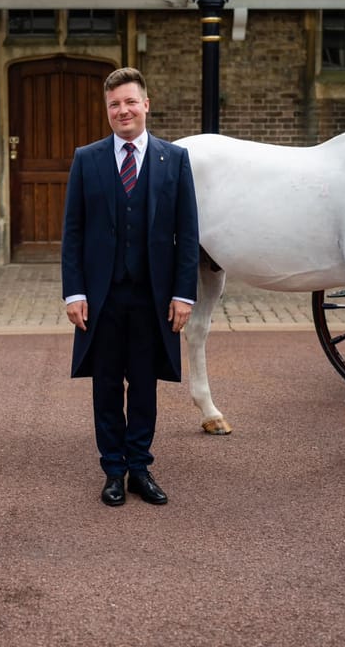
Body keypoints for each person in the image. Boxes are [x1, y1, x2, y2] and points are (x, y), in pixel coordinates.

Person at [61, 67, 200, 507]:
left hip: (152, 297)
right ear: (108, 111)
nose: (122, 110)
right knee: (105, 385)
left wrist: (183, 293)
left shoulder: (174, 160)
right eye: (114, 104)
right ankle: (113, 470)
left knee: (144, 383)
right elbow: (74, 232)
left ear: (146, 105)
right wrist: (74, 292)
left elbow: (187, 232)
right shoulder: (87, 159)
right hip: (101, 298)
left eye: (129, 102)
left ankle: (140, 466)